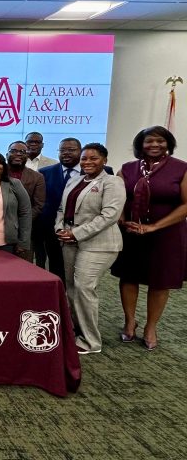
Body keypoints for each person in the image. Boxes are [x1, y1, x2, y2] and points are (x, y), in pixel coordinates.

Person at [111, 126, 187, 351]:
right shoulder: (127, 169)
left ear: (168, 144)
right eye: (149, 141)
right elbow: (117, 199)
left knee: (160, 281)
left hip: (167, 233)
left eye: (160, 141)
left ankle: (151, 327)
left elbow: (186, 205)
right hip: (132, 232)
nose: (155, 145)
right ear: (140, 145)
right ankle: (129, 321)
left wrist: (153, 227)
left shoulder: (181, 169)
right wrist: (123, 220)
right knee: (129, 277)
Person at [55, 143, 125, 355]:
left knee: (84, 288)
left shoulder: (112, 182)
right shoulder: (75, 180)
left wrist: (77, 233)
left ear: (104, 159)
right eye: (84, 158)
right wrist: (60, 228)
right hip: (69, 241)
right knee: (72, 288)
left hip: (99, 244)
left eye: (93, 158)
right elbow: (61, 209)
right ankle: (76, 331)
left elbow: (109, 216)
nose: (87, 162)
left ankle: (91, 341)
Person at [37, 137, 83, 283]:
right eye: (62, 150)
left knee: (83, 273)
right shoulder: (45, 172)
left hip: (85, 230)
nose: (66, 153)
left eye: (71, 150)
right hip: (52, 230)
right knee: (55, 267)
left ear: (80, 151)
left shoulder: (98, 171)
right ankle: (59, 300)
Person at [7, 140, 46, 262]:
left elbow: (38, 205)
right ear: (7, 154)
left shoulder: (37, 177)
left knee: (23, 267)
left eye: (22, 152)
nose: (18, 154)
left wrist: (21, 221)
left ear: (27, 156)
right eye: (14, 151)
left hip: (25, 229)